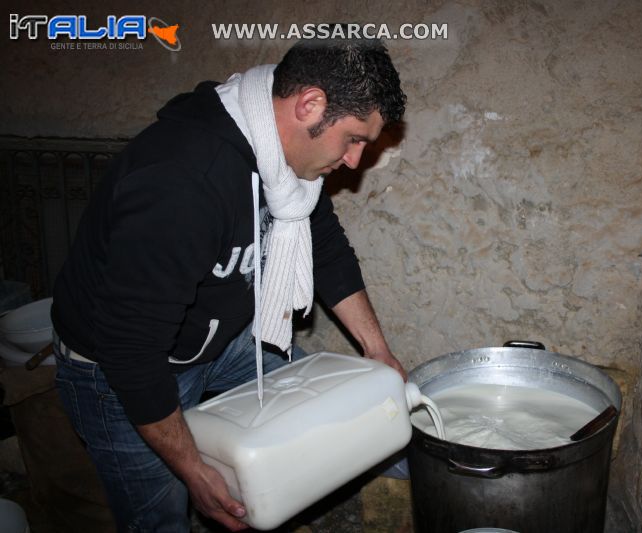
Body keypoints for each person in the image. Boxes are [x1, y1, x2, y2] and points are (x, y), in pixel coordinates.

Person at [51, 37, 407, 532]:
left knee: (327, 411)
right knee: (161, 516)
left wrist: (377, 351)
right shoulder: (183, 180)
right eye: (353, 139)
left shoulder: (292, 167)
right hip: (117, 368)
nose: (354, 161)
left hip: (218, 337)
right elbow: (130, 348)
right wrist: (193, 468)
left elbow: (323, 245)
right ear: (310, 105)